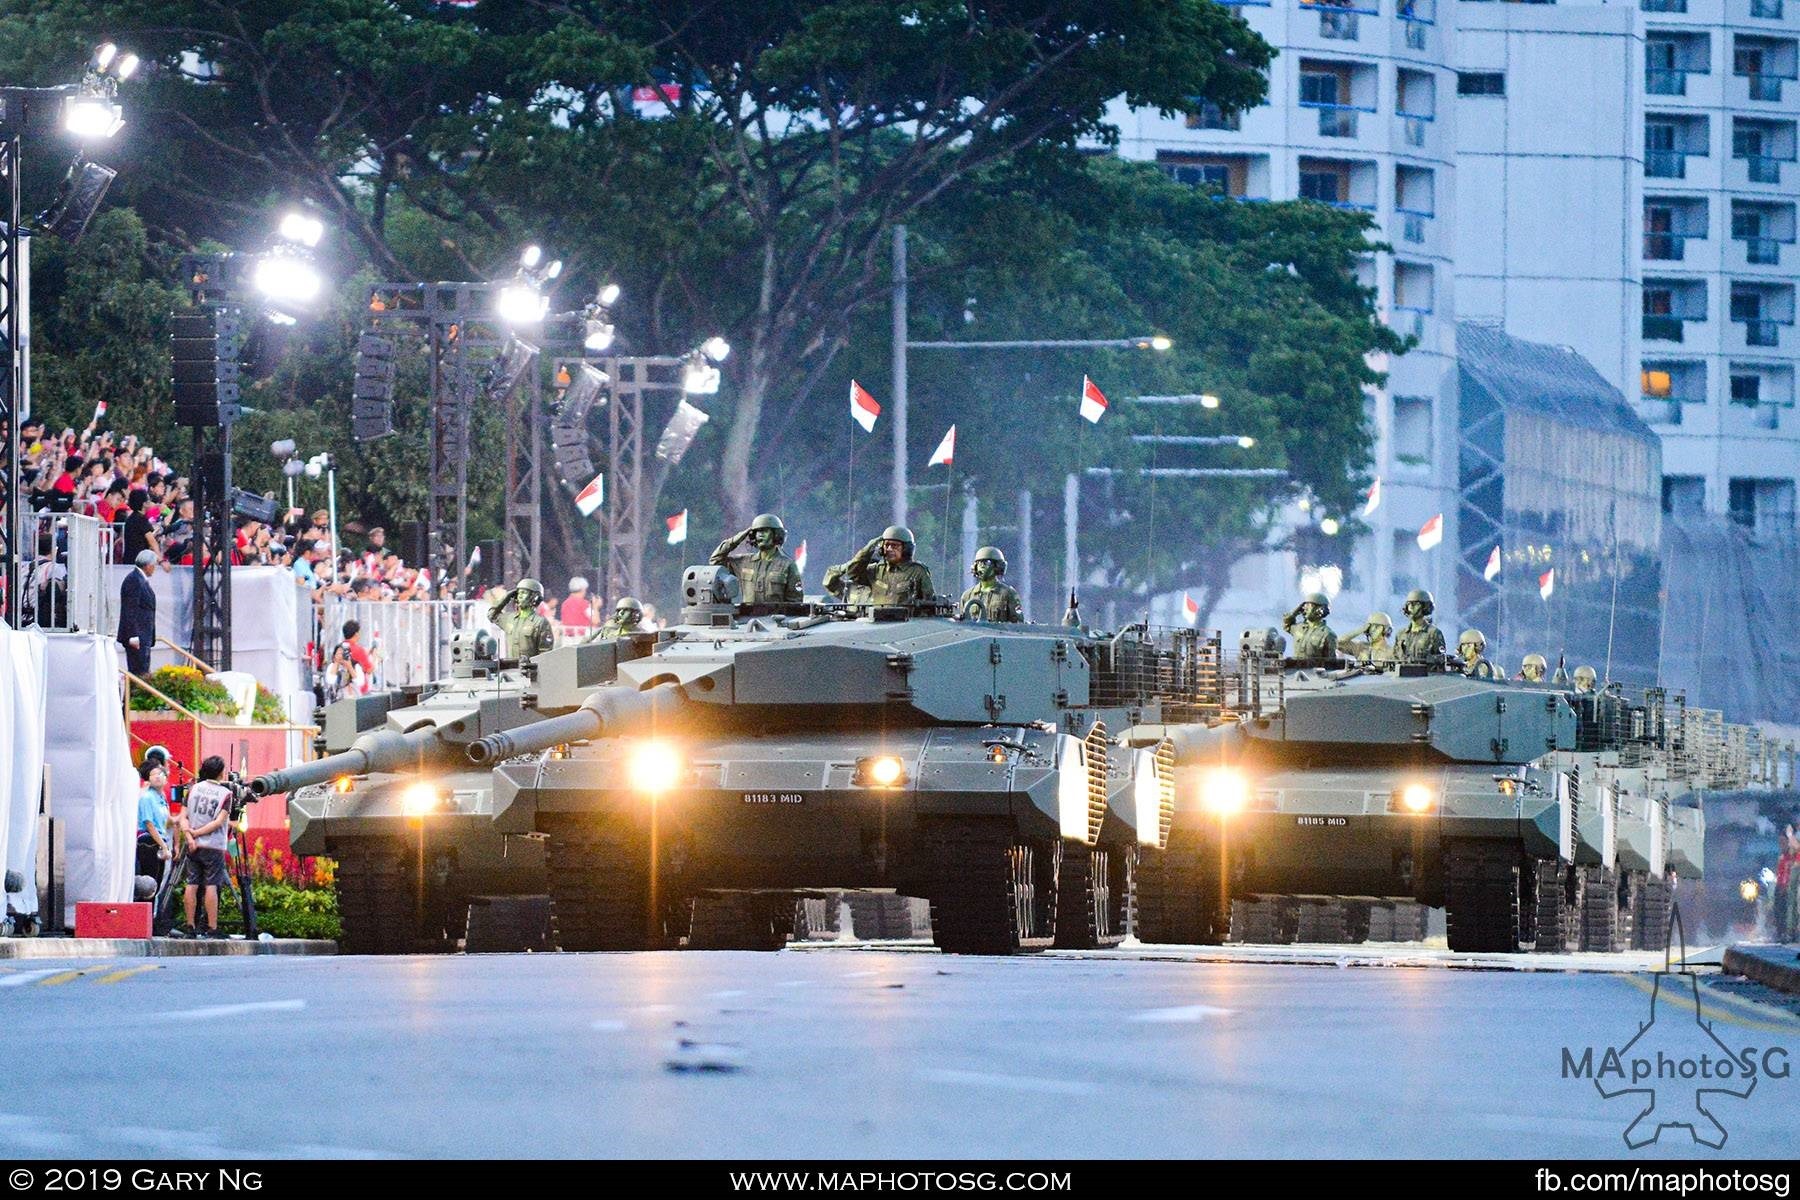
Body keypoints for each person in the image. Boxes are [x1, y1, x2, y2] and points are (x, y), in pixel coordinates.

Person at [178, 756, 233, 940]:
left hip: (193, 846)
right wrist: (198, 833)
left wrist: (190, 836)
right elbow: (219, 822)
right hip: (214, 846)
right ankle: (212, 927)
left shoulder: (193, 789)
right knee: (211, 885)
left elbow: (182, 817)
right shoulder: (226, 794)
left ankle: (190, 926)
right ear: (220, 773)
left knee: (192, 883)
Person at [708, 513, 804, 604]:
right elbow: (715, 559)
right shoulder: (744, 562)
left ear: (776, 535)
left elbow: (795, 601)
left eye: (765, 531)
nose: (760, 534)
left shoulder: (788, 565)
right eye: (757, 532)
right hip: (748, 617)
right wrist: (738, 538)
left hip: (775, 618)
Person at [832, 526, 934, 608]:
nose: (889, 549)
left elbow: (929, 603)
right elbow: (852, 573)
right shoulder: (876, 570)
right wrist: (867, 550)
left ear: (906, 549)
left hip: (904, 625)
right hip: (877, 623)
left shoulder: (917, 572)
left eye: (894, 546)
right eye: (886, 545)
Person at [489, 578, 555, 660]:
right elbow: (491, 614)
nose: (520, 596)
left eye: (524, 593)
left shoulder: (540, 623)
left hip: (531, 670)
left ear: (534, 597)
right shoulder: (509, 619)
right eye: (518, 593)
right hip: (510, 668)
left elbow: (545, 654)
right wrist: (506, 597)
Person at [957, 546, 1025, 623]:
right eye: (979, 563)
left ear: (998, 567)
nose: (982, 566)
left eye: (987, 563)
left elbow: (1018, 625)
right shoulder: (967, 596)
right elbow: (962, 624)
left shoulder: (1008, 594)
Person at [117, 549, 158, 676]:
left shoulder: (140, 580)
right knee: (138, 672)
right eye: (154, 565)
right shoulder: (134, 580)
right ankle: (133, 696)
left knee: (143, 671)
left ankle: (135, 695)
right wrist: (133, 635)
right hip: (137, 636)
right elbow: (130, 610)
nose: (154, 569)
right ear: (148, 565)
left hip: (143, 635)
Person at [135, 760, 172, 885]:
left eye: (160, 774)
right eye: (153, 774)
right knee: (149, 883)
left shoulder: (161, 797)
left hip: (158, 841)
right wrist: (164, 846)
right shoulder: (147, 797)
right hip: (148, 842)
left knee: (157, 881)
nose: (157, 777)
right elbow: (149, 824)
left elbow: (167, 821)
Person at [1281, 591, 1338, 661]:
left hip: (1313, 670)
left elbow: (1330, 663)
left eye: (1309, 605)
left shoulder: (1327, 634)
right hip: (1295, 668)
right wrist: (1294, 613)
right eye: (1305, 605)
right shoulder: (1299, 628)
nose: (1305, 608)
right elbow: (1287, 625)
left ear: (1320, 610)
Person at [1395, 588, 1447, 664]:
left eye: (1417, 604)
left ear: (1425, 607)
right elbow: (1395, 658)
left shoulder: (1433, 634)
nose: (1411, 607)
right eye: (1409, 604)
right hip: (1403, 674)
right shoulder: (1401, 634)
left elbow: (1440, 660)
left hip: (1426, 674)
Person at [119, 487, 158, 564]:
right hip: (139, 560)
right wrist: (161, 559)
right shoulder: (141, 519)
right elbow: (152, 541)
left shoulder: (130, 518)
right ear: (144, 504)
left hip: (129, 559)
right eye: (148, 500)